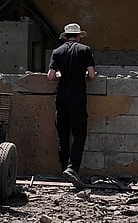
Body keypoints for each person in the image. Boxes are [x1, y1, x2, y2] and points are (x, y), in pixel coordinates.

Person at [47, 23, 96, 189]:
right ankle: (72, 168)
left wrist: (62, 73)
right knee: (79, 135)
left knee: (63, 138)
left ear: (65, 36)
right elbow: (91, 75)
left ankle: (65, 174)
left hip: (61, 100)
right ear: (79, 36)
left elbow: (51, 77)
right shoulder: (85, 50)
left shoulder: (57, 52)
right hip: (78, 100)